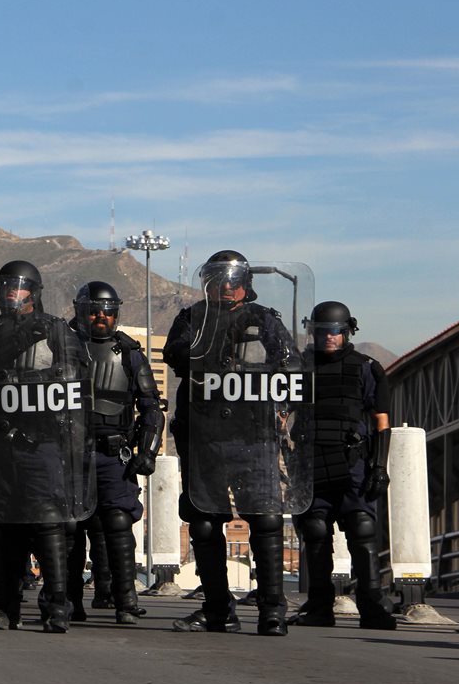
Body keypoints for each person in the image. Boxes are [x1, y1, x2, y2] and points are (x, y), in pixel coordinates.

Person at [164, 250, 301, 636]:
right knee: (204, 525)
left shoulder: (264, 320)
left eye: (233, 279)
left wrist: (279, 406)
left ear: (245, 284)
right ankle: (217, 608)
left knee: (266, 520)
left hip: (252, 435)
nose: (225, 285)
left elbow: (291, 368)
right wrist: (207, 341)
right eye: (218, 278)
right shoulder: (191, 318)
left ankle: (272, 609)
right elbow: (173, 353)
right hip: (204, 435)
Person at [0, 260, 92, 632]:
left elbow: (75, 381)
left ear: (33, 292)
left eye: (16, 287)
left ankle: (56, 608)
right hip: (0, 444)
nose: (8, 293)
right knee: (3, 526)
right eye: (3, 286)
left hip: (42, 441)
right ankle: (5, 606)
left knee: (49, 525)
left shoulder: (56, 331)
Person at [291, 301, 396, 629]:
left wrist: (379, 466)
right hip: (310, 462)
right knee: (315, 531)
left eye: (336, 331)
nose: (330, 337)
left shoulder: (365, 367)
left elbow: (381, 420)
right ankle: (320, 607)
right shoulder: (298, 366)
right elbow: (279, 412)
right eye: (322, 331)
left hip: (352, 463)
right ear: (313, 333)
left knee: (362, 530)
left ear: (348, 331)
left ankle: (373, 608)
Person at [69, 281, 163, 624]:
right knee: (69, 527)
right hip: (71, 454)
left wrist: (148, 452)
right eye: (94, 310)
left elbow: (152, 407)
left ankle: (126, 600)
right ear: (80, 310)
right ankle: (69, 601)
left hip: (114, 452)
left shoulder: (130, 353)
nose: (100, 317)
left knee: (119, 523)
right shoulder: (60, 349)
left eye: (108, 311)